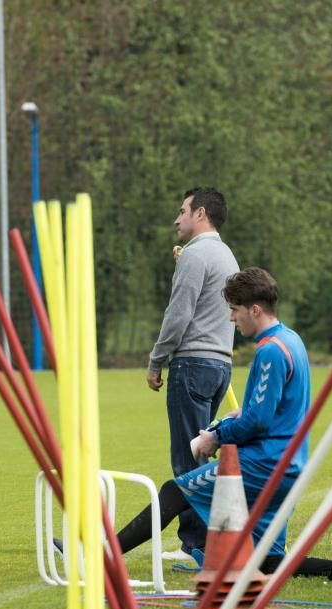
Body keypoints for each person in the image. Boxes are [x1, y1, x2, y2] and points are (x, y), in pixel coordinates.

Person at [111, 268, 332, 585]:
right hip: (289, 466)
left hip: (262, 464)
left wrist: (215, 438)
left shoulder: (270, 350)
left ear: (255, 310)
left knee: (174, 491)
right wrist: (240, 413)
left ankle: (102, 559)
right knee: (269, 562)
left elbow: (258, 421)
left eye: (234, 310)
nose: (231, 319)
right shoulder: (292, 340)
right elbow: (276, 406)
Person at [147, 187, 239, 561]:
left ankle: (198, 546)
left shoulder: (195, 256)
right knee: (202, 454)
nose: (176, 218)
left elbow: (180, 313)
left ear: (200, 213)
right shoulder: (225, 254)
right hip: (220, 365)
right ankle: (207, 540)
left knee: (188, 461)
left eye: (182, 211)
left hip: (192, 364)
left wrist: (157, 360)